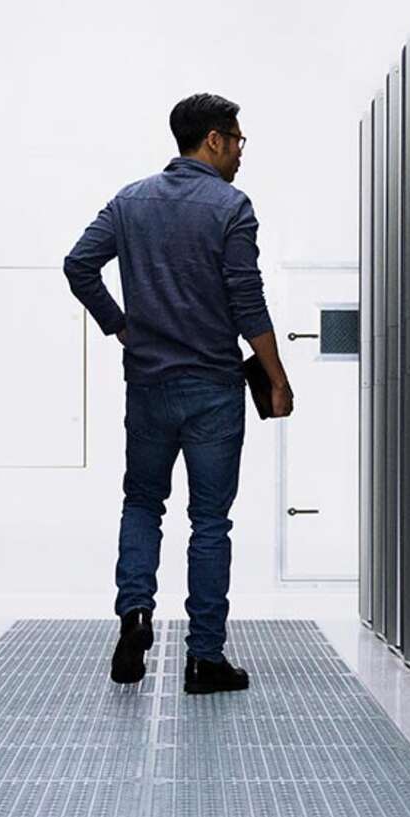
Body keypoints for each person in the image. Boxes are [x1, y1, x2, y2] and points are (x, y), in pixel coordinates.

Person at [62, 93, 296, 695]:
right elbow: (248, 303)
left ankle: (135, 615)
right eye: (238, 139)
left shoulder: (130, 201)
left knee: (142, 503)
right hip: (214, 388)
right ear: (213, 140)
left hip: (147, 386)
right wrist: (275, 376)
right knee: (210, 522)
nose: (242, 151)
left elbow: (78, 265)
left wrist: (120, 325)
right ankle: (204, 658)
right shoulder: (231, 207)